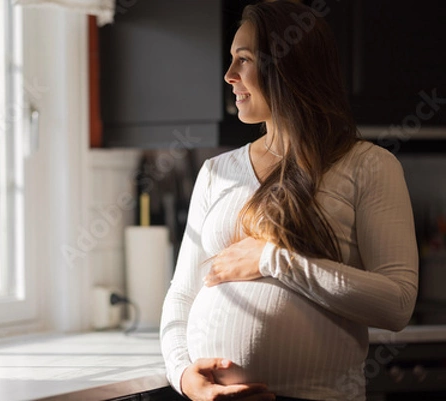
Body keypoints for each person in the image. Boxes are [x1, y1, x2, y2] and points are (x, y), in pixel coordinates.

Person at [159, 1, 419, 401]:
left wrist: (272, 261)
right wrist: (184, 377)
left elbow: (398, 304)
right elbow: (181, 295)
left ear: (287, 67)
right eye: (231, 60)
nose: (229, 76)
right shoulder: (217, 172)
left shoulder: (368, 166)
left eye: (243, 60)